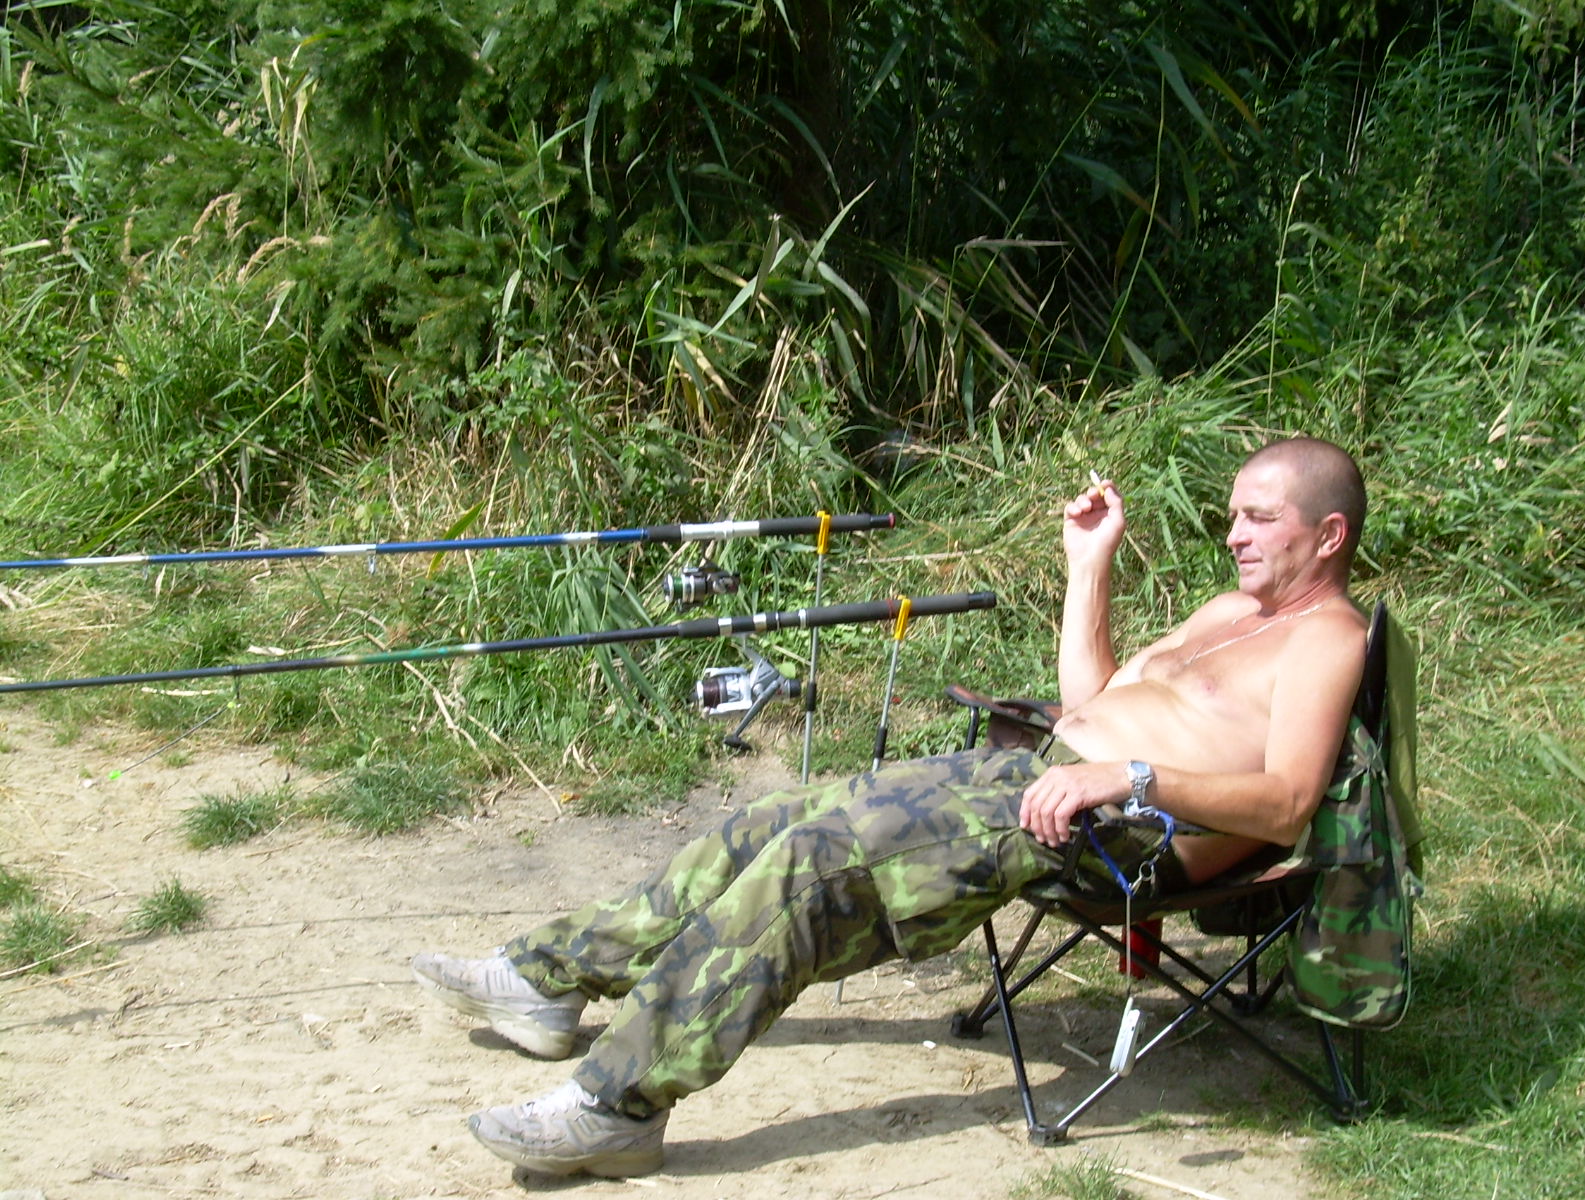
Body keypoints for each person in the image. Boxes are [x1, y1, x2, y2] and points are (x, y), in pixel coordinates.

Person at [411, 437, 1370, 1180]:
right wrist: (1090, 566)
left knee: (814, 869)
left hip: (1120, 838)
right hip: (1044, 779)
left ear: (1327, 535)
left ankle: (615, 1106)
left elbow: (1287, 805)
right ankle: (548, 978)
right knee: (777, 821)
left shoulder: (1326, 640)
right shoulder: (1231, 613)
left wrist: (1129, 778)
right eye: (1233, 515)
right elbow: (1090, 703)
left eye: (1259, 518)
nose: (1234, 534)